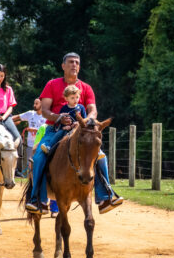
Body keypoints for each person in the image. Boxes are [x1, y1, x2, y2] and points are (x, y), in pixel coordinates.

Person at [25, 52, 123, 215]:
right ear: (63, 66)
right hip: (55, 129)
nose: (74, 65)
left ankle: (106, 196)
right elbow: (45, 111)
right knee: (38, 157)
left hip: (81, 132)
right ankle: (38, 200)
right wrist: (59, 117)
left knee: (100, 156)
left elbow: (93, 111)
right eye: (70, 62)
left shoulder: (86, 88)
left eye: (77, 62)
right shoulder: (52, 85)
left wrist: (84, 121)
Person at [40, 84, 86, 154]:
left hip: (78, 130)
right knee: (59, 133)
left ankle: (97, 151)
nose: (75, 100)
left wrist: (79, 123)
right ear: (66, 98)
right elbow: (60, 121)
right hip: (67, 130)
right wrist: (64, 127)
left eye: (77, 97)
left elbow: (85, 120)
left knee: (90, 136)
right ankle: (49, 146)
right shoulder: (64, 108)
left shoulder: (81, 107)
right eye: (72, 98)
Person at [32, 123, 59, 218]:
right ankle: (39, 200)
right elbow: (37, 143)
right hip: (47, 148)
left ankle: (55, 209)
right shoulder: (43, 127)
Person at [12, 98, 46, 168]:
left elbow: (47, 130)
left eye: (36, 103)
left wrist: (35, 130)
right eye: (34, 103)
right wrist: (6, 119)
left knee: (40, 165)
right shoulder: (30, 113)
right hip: (30, 144)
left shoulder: (46, 116)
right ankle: (27, 176)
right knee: (29, 165)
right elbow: (18, 117)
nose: (34, 105)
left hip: (41, 145)